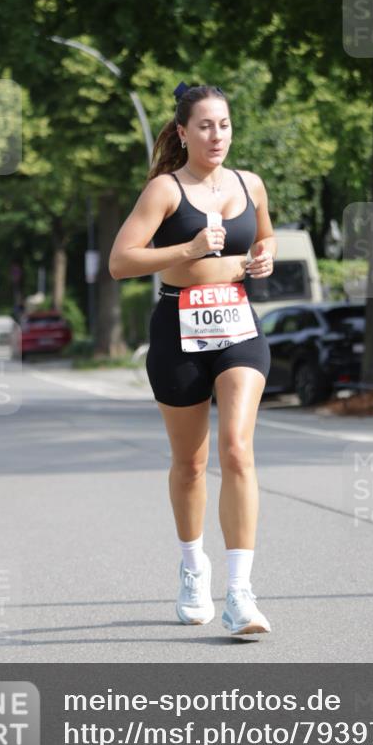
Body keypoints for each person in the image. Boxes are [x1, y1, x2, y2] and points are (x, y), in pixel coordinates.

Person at [109, 82, 277, 636]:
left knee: (237, 448)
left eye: (224, 124)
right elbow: (120, 261)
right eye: (205, 126)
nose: (217, 135)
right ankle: (192, 567)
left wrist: (263, 257)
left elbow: (265, 237)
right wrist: (187, 250)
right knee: (189, 465)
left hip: (237, 323)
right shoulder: (164, 190)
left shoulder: (250, 184)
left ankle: (241, 595)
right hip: (178, 325)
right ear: (183, 132)